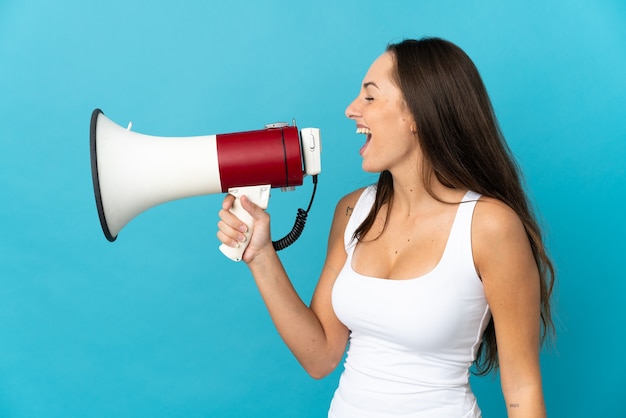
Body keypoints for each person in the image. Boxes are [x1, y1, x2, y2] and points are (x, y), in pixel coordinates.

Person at [217, 37, 555, 418]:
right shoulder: (353, 212)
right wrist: (260, 255)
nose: (350, 110)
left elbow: (522, 389)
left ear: (416, 114)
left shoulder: (489, 226)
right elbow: (321, 356)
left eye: (370, 97)